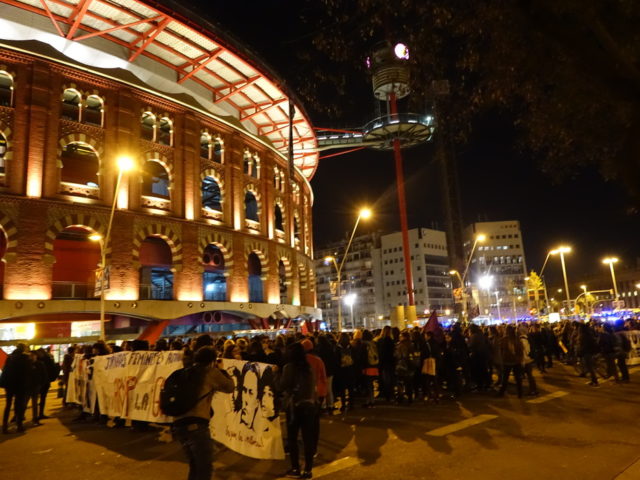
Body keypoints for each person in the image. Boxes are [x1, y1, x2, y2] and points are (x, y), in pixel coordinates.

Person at [172, 346, 234, 480]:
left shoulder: (185, 371)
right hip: (197, 425)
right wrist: (222, 370)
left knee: (195, 465)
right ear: (212, 361)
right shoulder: (210, 372)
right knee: (204, 468)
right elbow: (229, 387)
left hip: (178, 424)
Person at [279, 342, 318, 479]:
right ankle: (308, 469)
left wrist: (275, 375)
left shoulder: (289, 367)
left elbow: (282, 385)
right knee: (308, 439)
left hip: (294, 407)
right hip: (309, 406)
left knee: (293, 438)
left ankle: (296, 468)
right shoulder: (308, 367)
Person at [0, 343, 31, 433]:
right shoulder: (25, 358)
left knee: (8, 405)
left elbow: (5, 370)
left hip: (9, 384)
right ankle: (19, 425)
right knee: (19, 405)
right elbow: (27, 372)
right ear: (23, 349)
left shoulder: (10, 357)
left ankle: (4, 426)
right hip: (20, 385)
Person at [497, 325, 524, 398]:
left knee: (505, 378)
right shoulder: (517, 339)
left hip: (508, 361)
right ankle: (520, 393)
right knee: (517, 378)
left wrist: (502, 359)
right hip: (515, 361)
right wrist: (520, 359)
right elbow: (521, 350)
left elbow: (501, 350)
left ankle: (502, 392)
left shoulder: (504, 340)